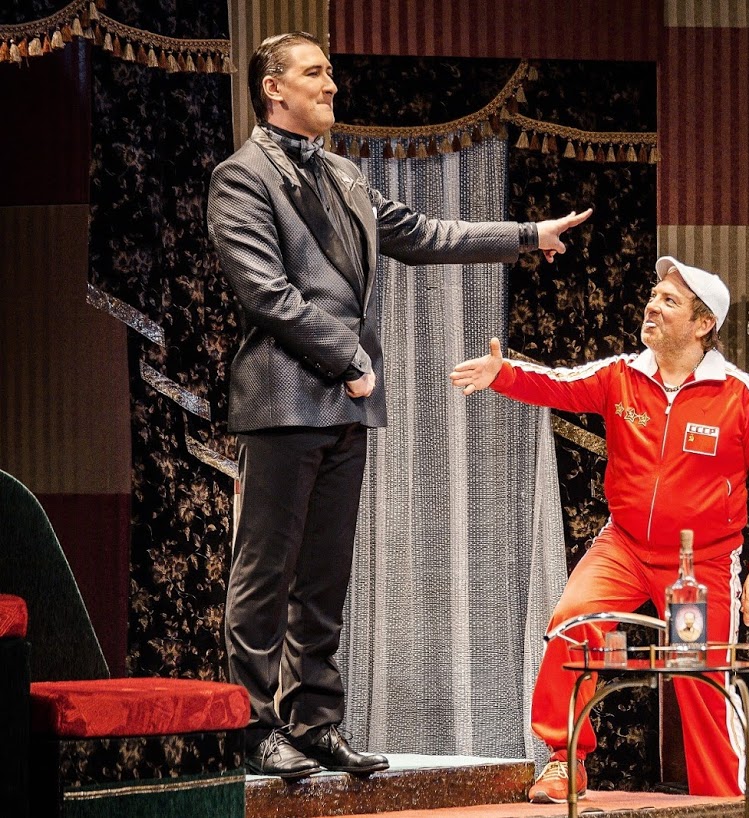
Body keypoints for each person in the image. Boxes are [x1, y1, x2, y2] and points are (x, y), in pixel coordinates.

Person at [206, 31, 591, 779]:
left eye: (330, 72)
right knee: (265, 574)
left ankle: (316, 721)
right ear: (273, 89)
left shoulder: (345, 174)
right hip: (284, 399)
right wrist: (349, 358)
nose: (331, 85)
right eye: (315, 73)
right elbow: (266, 292)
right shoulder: (240, 176)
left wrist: (526, 235)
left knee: (324, 578)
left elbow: (420, 233)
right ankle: (254, 728)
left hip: (345, 407)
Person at [449, 256, 749, 802]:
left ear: (703, 324)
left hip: (699, 564)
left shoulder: (737, 394)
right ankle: (564, 762)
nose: (652, 306)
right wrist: (504, 374)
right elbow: (559, 385)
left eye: (669, 301)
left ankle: (726, 802)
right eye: (654, 295)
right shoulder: (622, 376)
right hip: (626, 549)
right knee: (573, 623)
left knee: (700, 677)